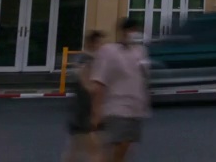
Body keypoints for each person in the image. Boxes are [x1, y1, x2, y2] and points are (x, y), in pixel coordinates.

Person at [91, 18, 151, 162]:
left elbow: (143, 79)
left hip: (135, 109)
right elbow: (99, 82)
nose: (135, 34)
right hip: (116, 108)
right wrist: (96, 111)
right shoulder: (109, 51)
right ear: (124, 32)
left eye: (136, 30)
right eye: (132, 30)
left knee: (124, 149)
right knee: (115, 148)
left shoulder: (140, 52)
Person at [62, 30, 105, 162]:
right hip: (85, 112)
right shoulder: (86, 60)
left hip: (80, 111)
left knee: (74, 148)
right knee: (95, 150)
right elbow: (88, 85)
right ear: (92, 43)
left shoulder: (84, 59)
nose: (101, 45)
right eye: (99, 42)